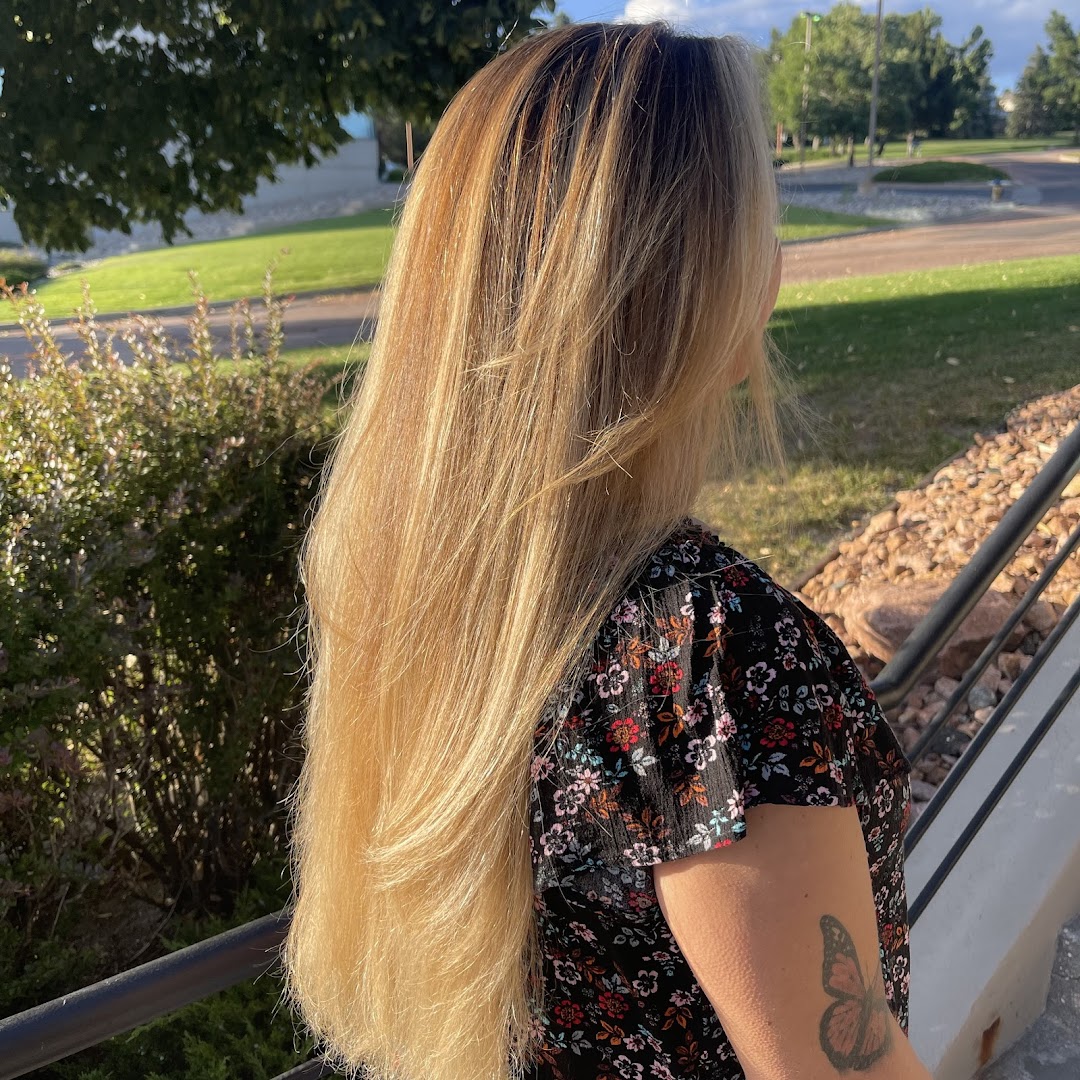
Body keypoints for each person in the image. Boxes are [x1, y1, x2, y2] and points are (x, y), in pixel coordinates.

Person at [281, 21, 929, 1080]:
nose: (775, 261)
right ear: (690, 282)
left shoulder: (426, 585)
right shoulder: (707, 655)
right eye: (757, 224)